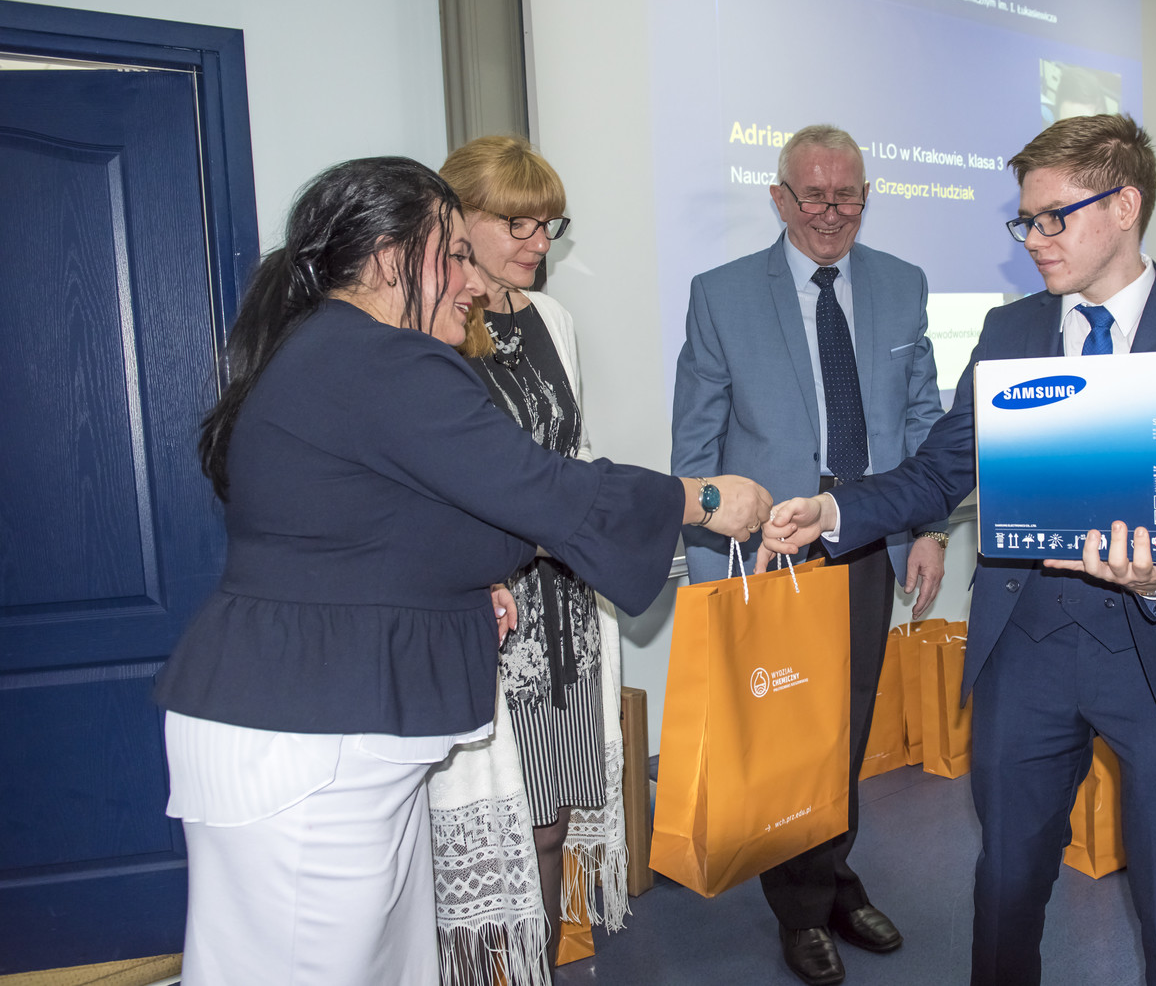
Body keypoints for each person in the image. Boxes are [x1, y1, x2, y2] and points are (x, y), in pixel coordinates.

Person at [153, 156, 770, 986]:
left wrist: (474, 572)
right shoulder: (382, 360)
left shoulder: (336, 350)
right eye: (452, 255)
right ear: (387, 258)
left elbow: (385, 519)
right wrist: (702, 498)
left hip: (328, 720)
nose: (473, 282)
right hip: (306, 733)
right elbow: (536, 488)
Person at [762, 114, 1156, 986]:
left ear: (1126, 206)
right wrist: (833, 512)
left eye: (1053, 217)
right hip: (1027, 653)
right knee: (1005, 889)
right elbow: (937, 472)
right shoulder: (1009, 335)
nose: (1033, 238)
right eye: (1025, 220)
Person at [671, 123, 948, 985]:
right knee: (789, 737)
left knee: (847, 727)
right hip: (770, 553)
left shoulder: (903, 284)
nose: (832, 213)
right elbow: (696, 445)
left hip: (866, 532)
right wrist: (716, 577)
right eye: (815, 195)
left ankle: (831, 878)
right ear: (779, 198)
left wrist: (928, 528)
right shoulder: (721, 294)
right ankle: (802, 910)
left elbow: (924, 422)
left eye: (848, 195)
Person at [429, 135, 626, 982]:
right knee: (490, 822)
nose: (539, 242)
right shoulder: (430, 327)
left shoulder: (554, 320)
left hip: (563, 611)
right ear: (457, 221)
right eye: (518, 223)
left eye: (549, 225)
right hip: (485, 608)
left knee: (551, 824)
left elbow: (572, 454)